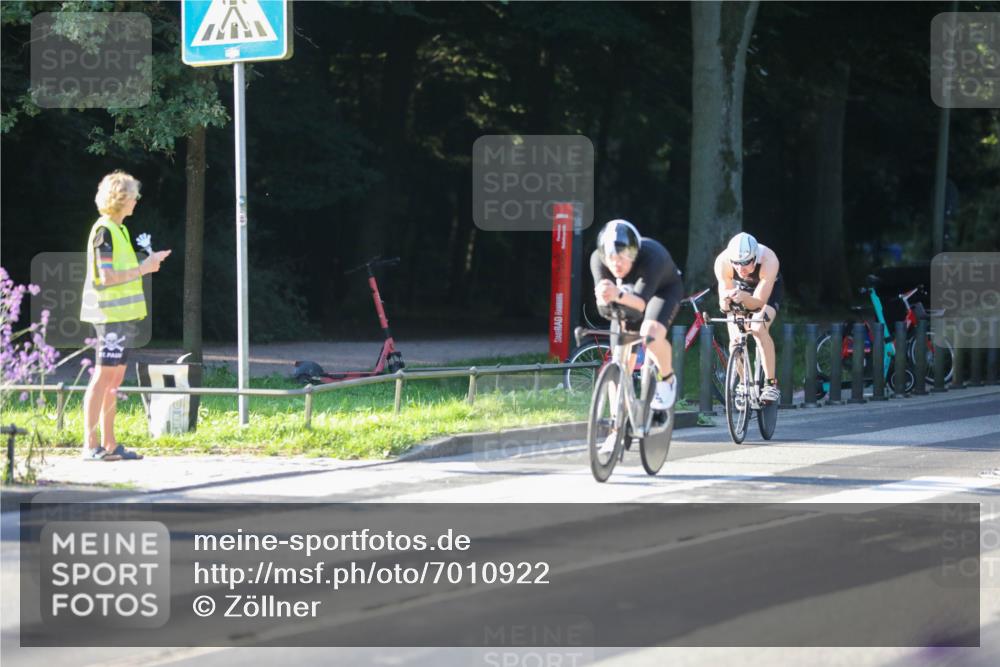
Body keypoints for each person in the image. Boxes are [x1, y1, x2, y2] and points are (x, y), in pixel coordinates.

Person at [80, 171, 171, 461]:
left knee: (114, 380)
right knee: (103, 377)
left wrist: (148, 263)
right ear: (120, 198)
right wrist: (144, 268)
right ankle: (90, 445)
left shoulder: (120, 230)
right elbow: (106, 277)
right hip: (109, 317)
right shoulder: (104, 231)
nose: (136, 200)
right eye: (134, 195)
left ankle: (110, 444)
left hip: (123, 317)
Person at [590, 219, 684, 412]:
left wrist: (616, 294)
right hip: (626, 295)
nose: (617, 264)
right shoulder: (597, 260)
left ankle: (667, 379)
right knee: (619, 358)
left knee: (650, 334)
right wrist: (603, 297)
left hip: (662, 292)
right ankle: (616, 425)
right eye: (611, 258)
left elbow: (641, 304)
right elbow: (604, 305)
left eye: (623, 257)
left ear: (633, 253)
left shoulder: (652, 257)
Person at [713, 232, 783, 404]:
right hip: (739, 292)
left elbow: (759, 303)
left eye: (745, 264)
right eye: (736, 264)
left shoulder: (769, 260)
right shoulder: (722, 262)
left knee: (759, 328)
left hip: (766, 292)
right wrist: (727, 301)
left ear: (755, 258)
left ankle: (770, 384)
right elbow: (724, 306)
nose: (740, 269)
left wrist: (744, 298)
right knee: (735, 338)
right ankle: (744, 383)